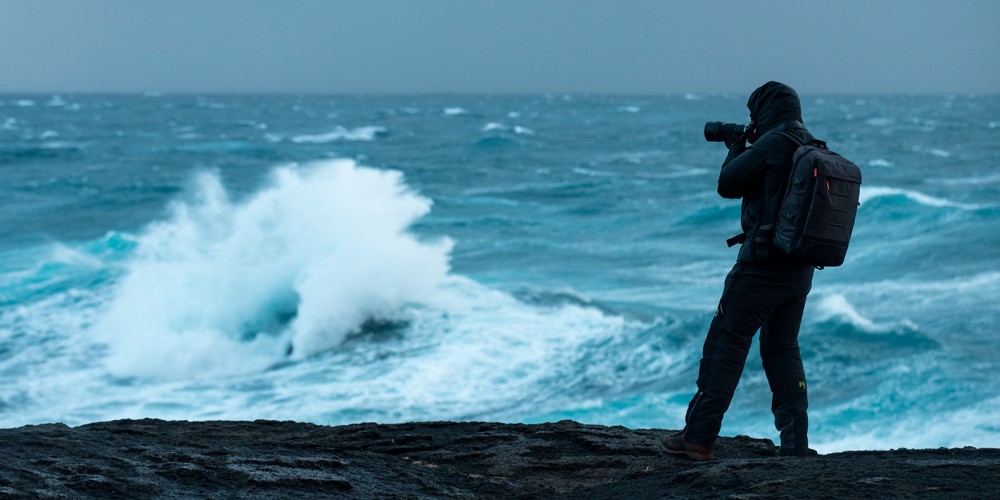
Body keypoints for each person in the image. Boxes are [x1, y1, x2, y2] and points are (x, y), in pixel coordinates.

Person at [662, 81, 818, 460]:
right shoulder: (810, 144)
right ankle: (795, 446)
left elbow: (727, 184)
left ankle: (698, 438)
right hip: (799, 270)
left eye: (753, 115)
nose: (751, 122)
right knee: (782, 349)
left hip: (761, 266)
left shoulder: (775, 142)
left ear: (763, 112)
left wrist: (735, 145)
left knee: (725, 343)